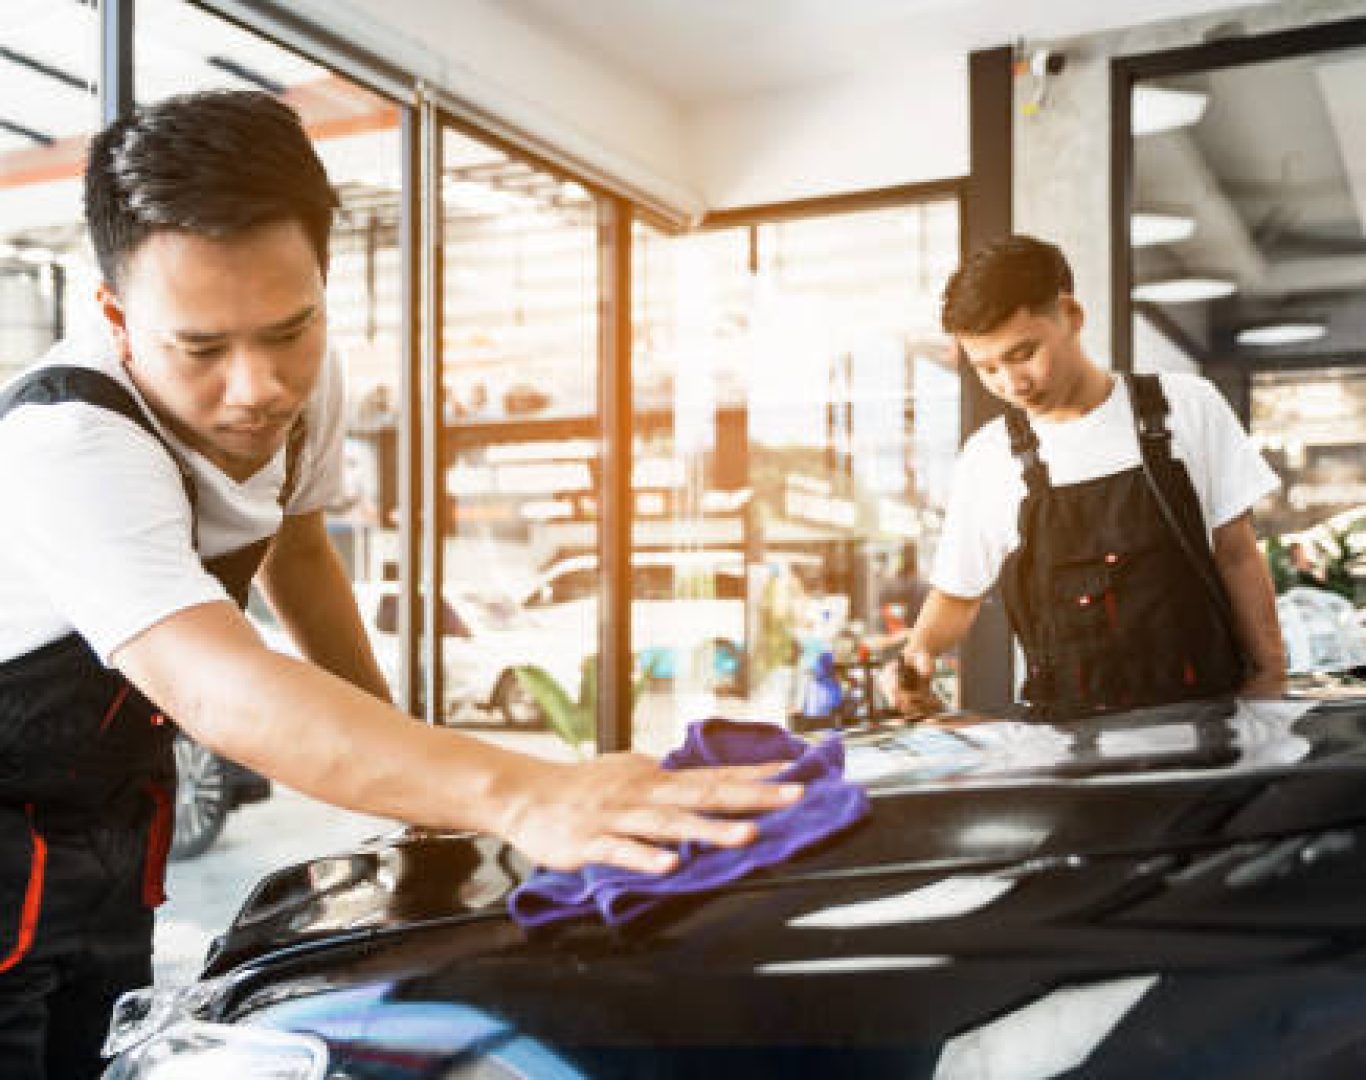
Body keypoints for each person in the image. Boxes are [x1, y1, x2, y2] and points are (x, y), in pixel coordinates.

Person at [0, 91, 799, 1079]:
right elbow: (213, 683)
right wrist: (519, 793)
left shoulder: (306, 383)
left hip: (111, 814)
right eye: (201, 348)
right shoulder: (67, 441)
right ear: (116, 317)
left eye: (289, 328)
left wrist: (416, 791)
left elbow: (298, 552)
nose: (256, 387)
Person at [883, 235, 1286, 722]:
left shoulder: (1187, 406)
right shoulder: (987, 459)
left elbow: (1236, 551)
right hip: (1065, 749)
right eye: (987, 368)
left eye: (1023, 353)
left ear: (1070, 315)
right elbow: (956, 595)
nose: (1011, 384)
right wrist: (917, 655)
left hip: (1209, 728)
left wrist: (1270, 676)